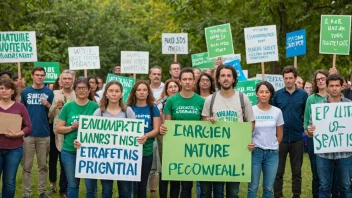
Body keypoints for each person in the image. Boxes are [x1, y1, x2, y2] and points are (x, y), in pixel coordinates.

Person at [201, 65, 255, 198]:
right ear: (218, 79)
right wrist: (209, 121)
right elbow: (203, 121)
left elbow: (251, 122)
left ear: (234, 79)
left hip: (236, 151)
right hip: (215, 151)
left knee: (233, 192)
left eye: (229, 76)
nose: (226, 79)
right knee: (218, 191)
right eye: (223, 76)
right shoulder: (210, 99)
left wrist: (244, 138)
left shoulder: (243, 98)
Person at [160, 68, 205, 198]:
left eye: (190, 79)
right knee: (174, 182)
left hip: (193, 148)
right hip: (175, 147)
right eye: (184, 79)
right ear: (179, 81)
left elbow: (204, 126)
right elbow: (167, 125)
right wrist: (164, 129)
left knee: (187, 184)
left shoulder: (201, 101)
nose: (187, 82)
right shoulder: (171, 101)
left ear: (194, 81)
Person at [307, 74, 352, 198]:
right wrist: (311, 130)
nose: (334, 88)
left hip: (345, 154)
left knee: (345, 186)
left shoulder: (350, 106)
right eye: (331, 86)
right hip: (324, 155)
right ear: (326, 88)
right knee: (324, 187)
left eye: (337, 85)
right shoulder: (318, 108)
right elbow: (310, 130)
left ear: (342, 87)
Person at [56, 77, 98, 198]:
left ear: (89, 90)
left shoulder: (95, 107)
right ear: (74, 90)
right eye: (78, 88)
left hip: (90, 152)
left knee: (91, 186)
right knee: (73, 184)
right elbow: (59, 128)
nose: (81, 90)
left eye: (84, 88)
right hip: (70, 151)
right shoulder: (68, 107)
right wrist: (71, 128)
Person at [273, 66, 308, 198]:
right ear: (283, 79)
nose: (288, 81)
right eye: (286, 78)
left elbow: (306, 114)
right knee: (278, 171)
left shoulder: (303, 95)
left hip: (297, 138)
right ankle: (278, 195)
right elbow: (273, 114)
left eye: (290, 78)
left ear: (295, 78)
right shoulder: (277, 94)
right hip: (280, 139)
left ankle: (296, 195)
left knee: (297, 171)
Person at [21, 66, 54, 198]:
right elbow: (21, 111)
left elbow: (54, 113)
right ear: (32, 76)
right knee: (26, 166)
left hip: (44, 133)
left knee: (43, 165)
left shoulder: (49, 92)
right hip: (28, 134)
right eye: (37, 75)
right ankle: (26, 193)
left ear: (44, 77)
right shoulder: (26, 92)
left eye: (42, 75)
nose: (39, 77)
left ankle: (42, 192)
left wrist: (48, 105)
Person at [247, 81, 284, 198]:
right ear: (256, 94)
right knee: (252, 187)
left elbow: (280, 134)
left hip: (272, 154)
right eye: (261, 92)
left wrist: (274, 145)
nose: (264, 94)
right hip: (255, 153)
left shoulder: (277, 111)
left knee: (268, 188)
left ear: (271, 94)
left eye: (267, 92)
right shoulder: (250, 110)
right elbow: (246, 132)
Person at [127, 81, 161, 198]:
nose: (141, 92)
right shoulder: (128, 109)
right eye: (139, 90)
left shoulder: (153, 109)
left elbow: (156, 130)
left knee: (142, 182)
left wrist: (145, 136)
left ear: (148, 92)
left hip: (146, 150)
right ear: (134, 93)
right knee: (132, 183)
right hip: (130, 150)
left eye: (144, 90)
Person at [0, 78, 32, 198]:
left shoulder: (20, 107)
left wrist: (17, 134)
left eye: (7, 88)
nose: (4, 91)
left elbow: (28, 127)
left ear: (12, 91)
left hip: (14, 149)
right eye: (1, 88)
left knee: (9, 182)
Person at [48, 70, 76, 198]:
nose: (66, 81)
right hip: (57, 132)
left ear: (73, 79)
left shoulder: (78, 94)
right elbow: (49, 116)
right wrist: (55, 107)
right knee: (56, 159)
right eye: (64, 78)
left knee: (67, 161)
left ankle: (64, 189)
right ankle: (54, 184)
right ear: (60, 80)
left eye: (69, 78)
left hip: (73, 132)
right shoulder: (54, 94)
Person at [155, 79, 180, 198]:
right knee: (163, 172)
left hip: (178, 140)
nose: (173, 89)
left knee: (175, 173)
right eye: (170, 87)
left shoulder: (181, 102)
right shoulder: (159, 104)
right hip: (162, 140)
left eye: (175, 86)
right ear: (166, 90)